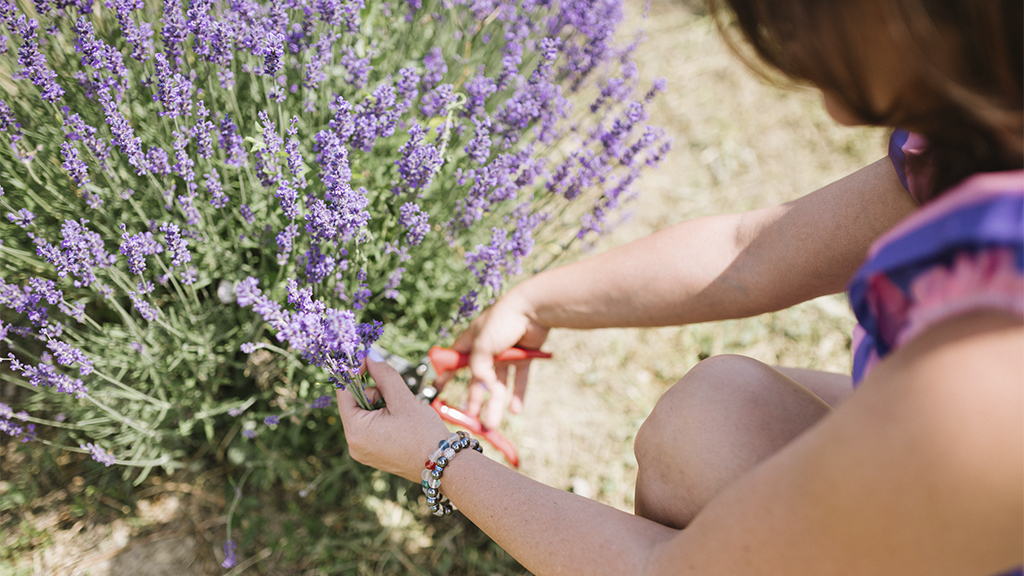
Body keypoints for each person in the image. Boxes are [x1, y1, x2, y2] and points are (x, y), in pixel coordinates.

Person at [336, 0, 1023, 573]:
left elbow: (662, 571)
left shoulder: (988, 365)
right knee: (711, 418)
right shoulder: (986, 139)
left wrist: (440, 459)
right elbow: (753, 250)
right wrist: (535, 300)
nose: (840, 117)